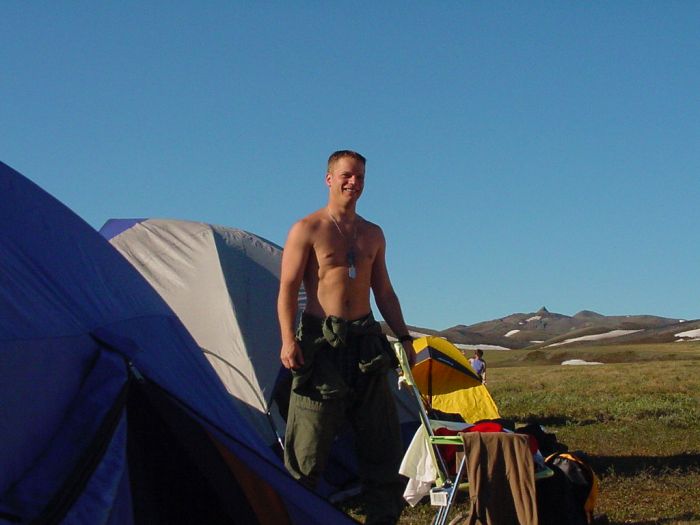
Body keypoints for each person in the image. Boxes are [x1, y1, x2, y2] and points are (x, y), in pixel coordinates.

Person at [277, 150, 415, 525]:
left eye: (360, 177)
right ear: (329, 179)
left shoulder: (373, 233)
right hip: (321, 343)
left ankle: (382, 517)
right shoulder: (307, 228)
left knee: (380, 440)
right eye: (347, 175)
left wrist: (403, 338)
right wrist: (288, 339)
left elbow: (384, 291)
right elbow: (288, 289)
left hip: (366, 340)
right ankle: (297, 514)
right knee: (309, 441)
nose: (354, 183)